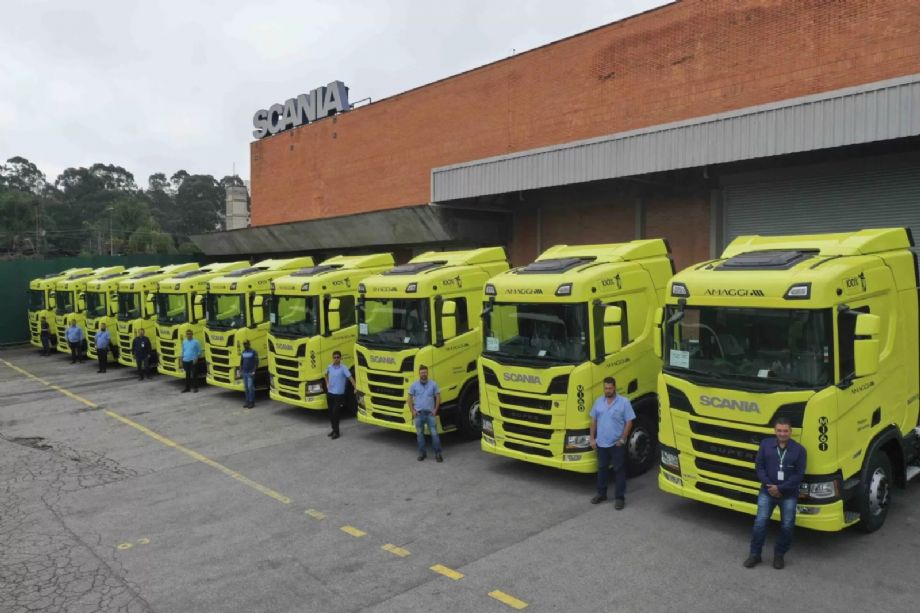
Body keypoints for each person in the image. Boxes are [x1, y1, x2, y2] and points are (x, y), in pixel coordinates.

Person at [744, 417, 806, 570]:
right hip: (767, 492)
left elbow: (799, 475)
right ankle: (755, 554)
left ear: (790, 431)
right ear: (775, 431)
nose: (782, 434)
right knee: (760, 524)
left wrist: (780, 488)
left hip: (789, 494)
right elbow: (759, 467)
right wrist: (770, 486)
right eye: (779, 430)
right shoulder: (765, 445)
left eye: (785, 431)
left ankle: (779, 555)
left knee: (787, 526)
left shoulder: (799, 450)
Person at [589, 377, 635, 510]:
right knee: (602, 469)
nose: (607, 390)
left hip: (616, 444)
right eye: (605, 388)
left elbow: (629, 422)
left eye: (609, 388)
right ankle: (601, 494)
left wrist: (623, 439)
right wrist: (592, 438)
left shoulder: (624, 402)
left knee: (618, 470)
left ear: (614, 388)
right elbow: (593, 421)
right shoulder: (598, 402)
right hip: (601, 443)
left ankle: (620, 498)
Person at [408, 365, 442, 462]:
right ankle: (422, 454)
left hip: (430, 414)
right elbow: (409, 399)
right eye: (422, 372)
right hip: (418, 414)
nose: (424, 374)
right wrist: (413, 411)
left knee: (434, 434)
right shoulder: (414, 385)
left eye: (425, 372)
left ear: (427, 373)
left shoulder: (433, 384)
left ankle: (438, 454)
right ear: (419, 374)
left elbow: (438, 397)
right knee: (420, 435)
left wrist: (435, 410)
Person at [325, 350, 356, 439]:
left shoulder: (343, 368)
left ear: (340, 358)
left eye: (338, 357)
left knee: (336, 412)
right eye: (334, 357)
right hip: (330, 393)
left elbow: (350, 378)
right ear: (332, 358)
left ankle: (337, 432)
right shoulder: (329, 367)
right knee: (331, 413)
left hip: (338, 395)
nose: (336, 359)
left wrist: (355, 387)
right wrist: (327, 383)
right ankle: (333, 430)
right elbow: (325, 375)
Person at [240, 340, 258, 409]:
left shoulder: (253, 352)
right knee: (246, 388)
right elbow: (241, 362)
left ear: (249, 344)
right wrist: (240, 370)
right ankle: (247, 402)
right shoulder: (243, 352)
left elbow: (256, 362)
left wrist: (254, 371)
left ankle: (251, 402)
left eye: (246, 344)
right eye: (244, 344)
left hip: (250, 372)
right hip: (244, 372)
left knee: (250, 387)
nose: (245, 345)